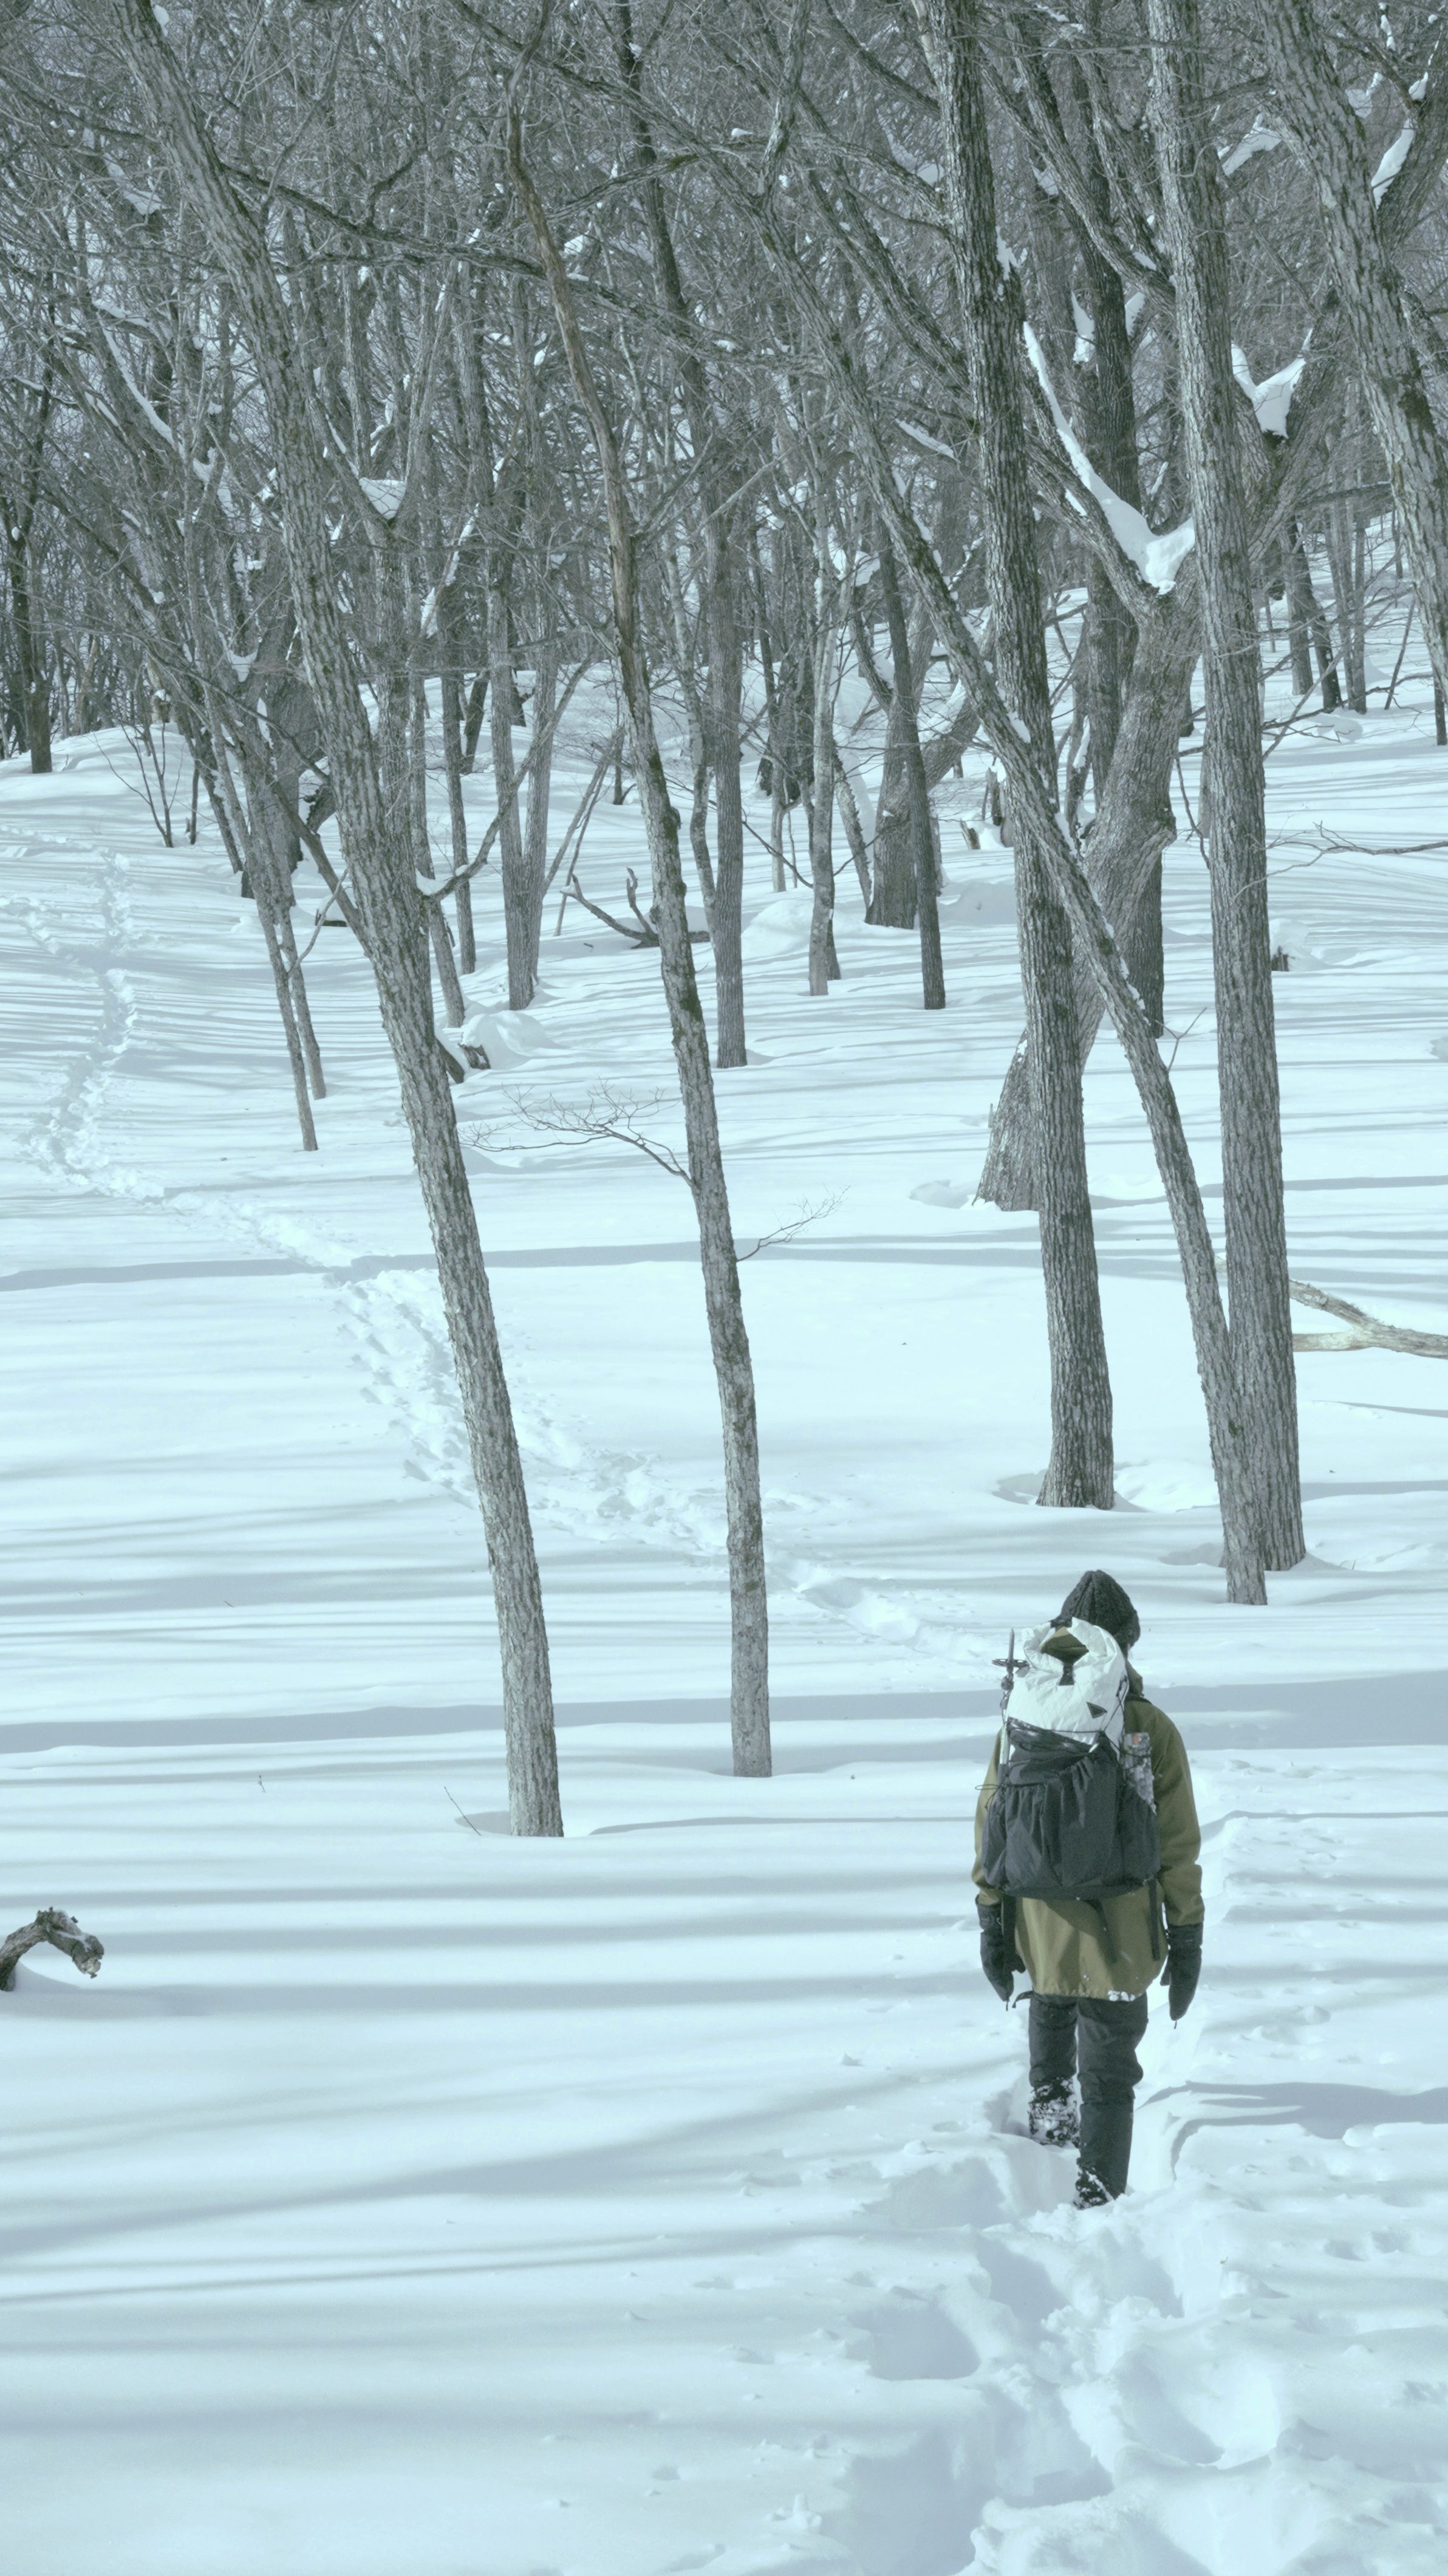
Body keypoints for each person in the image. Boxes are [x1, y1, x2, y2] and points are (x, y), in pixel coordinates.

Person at [973, 1570, 1203, 2207]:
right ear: (1124, 1644)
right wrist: (1186, 1933)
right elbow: (1177, 1844)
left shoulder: (1024, 1716)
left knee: (1050, 2001)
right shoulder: (1146, 1726)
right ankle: (1100, 2194)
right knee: (1109, 2071)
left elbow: (990, 1821)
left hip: (1036, 1914)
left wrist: (991, 1916)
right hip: (1120, 1924)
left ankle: (1048, 2131)